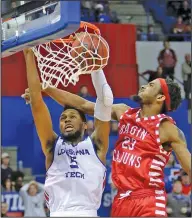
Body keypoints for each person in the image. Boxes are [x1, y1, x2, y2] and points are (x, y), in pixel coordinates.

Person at [22, 60, 191, 216]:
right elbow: (83, 105)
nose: (144, 86)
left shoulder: (168, 129)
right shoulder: (124, 112)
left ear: (160, 97)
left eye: (151, 85)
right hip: (121, 199)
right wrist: (46, 88)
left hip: (148, 198)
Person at [22, 48, 113, 217]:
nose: (67, 120)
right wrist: (28, 53)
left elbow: (105, 102)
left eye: (72, 116)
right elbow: (36, 102)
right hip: (58, 213)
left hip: (88, 213)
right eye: (63, 118)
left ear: (85, 125)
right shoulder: (51, 145)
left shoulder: (96, 145)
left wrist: (95, 67)